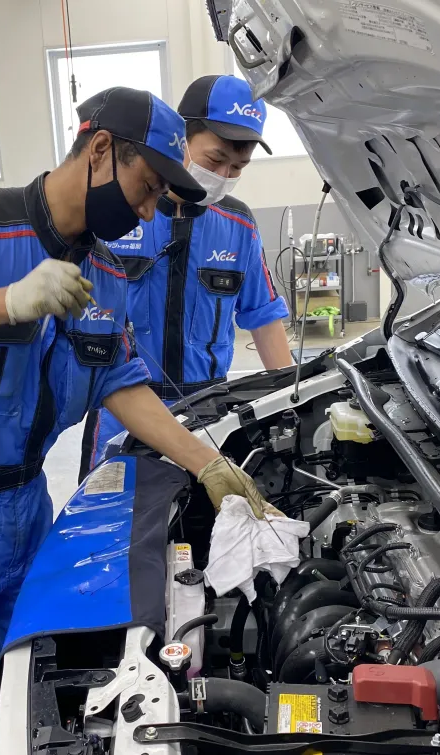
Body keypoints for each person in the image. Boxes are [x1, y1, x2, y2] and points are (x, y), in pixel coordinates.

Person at [0, 87, 271, 755]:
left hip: (28, 505)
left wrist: (202, 460)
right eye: (146, 186)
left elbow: (120, 379)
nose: (150, 209)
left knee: (23, 704)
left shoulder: (106, 269)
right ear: (99, 151)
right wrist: (3, 300)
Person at [80, 75, 294, 478]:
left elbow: (263, 318)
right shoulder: (121, 211)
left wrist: (287, 401)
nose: (225, 174)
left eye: (238, 167)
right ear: (182, 138)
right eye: (215, 161)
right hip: (122, 405)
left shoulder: (239, 225)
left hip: (209, 411)